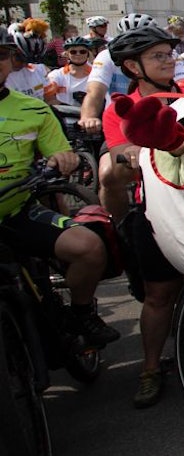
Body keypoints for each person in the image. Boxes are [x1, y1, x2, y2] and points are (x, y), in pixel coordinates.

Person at [0, 32, 118, 351]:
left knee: (90, 247)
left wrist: (61, 159)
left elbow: (61, 153)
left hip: (16, 211)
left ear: (10, 61)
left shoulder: (34, 110)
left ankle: (80, 314)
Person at [100, 25, 184, 407]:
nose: (168, 61)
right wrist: (130, 155)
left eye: (169, 54)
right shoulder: (120, 109)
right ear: (133, 66)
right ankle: (150, 368)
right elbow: (118, 163)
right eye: (158, 56)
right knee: (158, 294)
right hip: (155, 206)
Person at [48, 36, 95, 105]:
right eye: (73, 52)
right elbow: (48, 99)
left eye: (82, 51)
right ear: (67, 54)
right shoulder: (56, 75)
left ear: (88, 53)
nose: (78, 54)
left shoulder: (96, 73)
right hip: (65, 114)